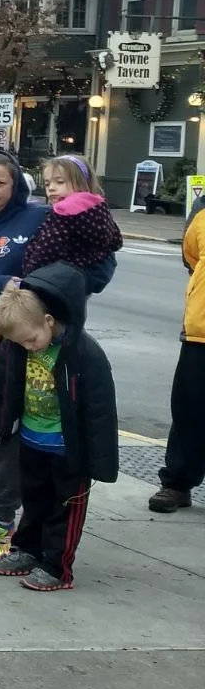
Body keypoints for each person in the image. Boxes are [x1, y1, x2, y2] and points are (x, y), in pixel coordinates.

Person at [0, 151, 115, 547]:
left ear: (16, 185)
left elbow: (100, 270)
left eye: (0, 182)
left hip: (42, 349)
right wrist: (4, 282)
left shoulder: (44, 217)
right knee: (0, 436)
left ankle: (34, 528)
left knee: (40, 439)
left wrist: (44, 289)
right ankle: (2, 516)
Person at [0, 271, 118, 590]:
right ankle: (27, 550)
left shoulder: (84, 353)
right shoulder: (15, 348)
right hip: (31, 439)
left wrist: (98, 461)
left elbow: (99, 411)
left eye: (30, 340)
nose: (27, 348)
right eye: (19, 343)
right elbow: (2, 388)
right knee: (34, 502)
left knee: (64, 510)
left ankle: (57, 567)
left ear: (47, 320)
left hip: (67, 449)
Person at [0, 154, 122, 372]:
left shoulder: (59, 213)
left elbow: (100, 254)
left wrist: (65, 278)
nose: (51, 189)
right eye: (49, 183)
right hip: (40, 285)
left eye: (60, 182)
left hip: (46, 286)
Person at [152, 196, 205, 514]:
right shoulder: (203, 206)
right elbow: (191, 257)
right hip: (200, 328)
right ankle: (177, 484)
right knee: (189, 407)